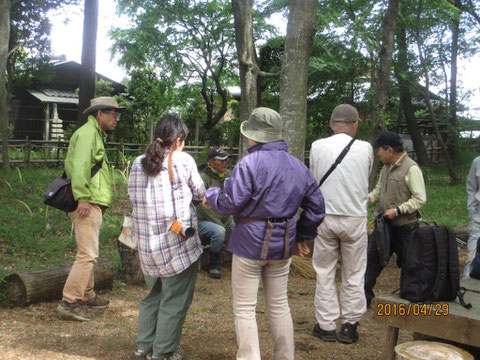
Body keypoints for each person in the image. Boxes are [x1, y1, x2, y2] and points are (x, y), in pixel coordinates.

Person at [203, 107, 325, 360]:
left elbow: (230, 202)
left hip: (249, 242)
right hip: (283, 244)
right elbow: (317, 207)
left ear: (253, 136)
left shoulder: (249, 163)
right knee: (279, 305)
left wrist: (212, 195)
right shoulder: (297, 166)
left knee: (245, 308)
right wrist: (302, 235)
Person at [128, 115, 205, 360]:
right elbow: (200, 193)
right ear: (179, 140)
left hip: (148, 248)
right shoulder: (182, 160)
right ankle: (163, 352)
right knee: (174, 301)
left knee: (153, 296)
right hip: (176, 247)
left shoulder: (137, 162)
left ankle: (143, 347)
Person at [309, 104, 373, 344]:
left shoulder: (317, 146)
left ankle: (325, 326)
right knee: (355, 272)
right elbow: (365, 178)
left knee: (324, 272)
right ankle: (349, 326)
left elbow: (314, 179)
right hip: (354, 217)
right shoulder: (366, 148)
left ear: (331, 124)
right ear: (355, 125)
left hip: (325, 215)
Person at [56, 96, 124, 322]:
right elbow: (80, 166)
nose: (117, 118)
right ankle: (70, 301)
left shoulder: (94, 134)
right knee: (87, 254)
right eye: (113, 113)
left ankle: (87, 294)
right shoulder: (87, 134)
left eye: (117, 114)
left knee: (89, 251)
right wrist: (83, 197)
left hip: (92, 201)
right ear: (99, 114)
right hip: (87, 201)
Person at [364, 132, 426, 307]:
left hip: (405, 227)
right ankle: (363, 298)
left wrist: (398, 210)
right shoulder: (386, 167)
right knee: (372, 262)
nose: (378, 154)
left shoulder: (411, 168)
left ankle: (410, 299)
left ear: (389, 150)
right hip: (383, 226)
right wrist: (368, 198)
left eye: (380, 151)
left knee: (410, 265)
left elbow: (420, 198)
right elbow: (378, 190)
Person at [197, 146, 235, 279]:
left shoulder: (229, 175)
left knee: (242, 226)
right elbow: (202, 207)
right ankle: (214, 264)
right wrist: (221, 221)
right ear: (211, 162)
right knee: (219, 231)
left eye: (226, 160)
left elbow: (234, 197)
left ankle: (235, 262)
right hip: (203, 220)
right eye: (221, 160)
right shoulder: (203, 177)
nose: (225, 163)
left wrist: (230, 217)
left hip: (226, 218)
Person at [465, 156, 480, 279]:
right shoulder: (477, 162)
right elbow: (471, 188)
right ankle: (466, 290)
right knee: (472, 257)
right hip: (478, 219)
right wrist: (472, 212)